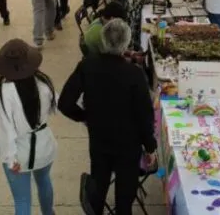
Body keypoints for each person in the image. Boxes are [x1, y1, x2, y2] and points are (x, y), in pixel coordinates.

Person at [59, 19, 156, 215]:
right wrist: (150, 147)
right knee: (124, 201)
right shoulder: (133, 74)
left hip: (99, 141)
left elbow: (64, 103)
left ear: (103, 40)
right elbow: (144, 115)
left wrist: (84, 117)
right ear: (126, 43)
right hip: (128, 146)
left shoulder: (87, 65)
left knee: (98, 193)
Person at [0, 39, 58, 215]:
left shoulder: (2, 91)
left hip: (18, 155)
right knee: (44, 182)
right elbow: (56, 104)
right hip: (44, 147)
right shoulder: (43, 82)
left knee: (22, 200)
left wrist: (10, 158)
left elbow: (2, 130)